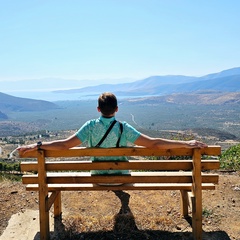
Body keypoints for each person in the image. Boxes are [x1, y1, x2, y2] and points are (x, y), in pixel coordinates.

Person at [17, 92, 207, 175]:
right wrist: (187, 143)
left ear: (98, 109)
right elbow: (153, 144)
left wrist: (36, 145)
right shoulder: (124, 128)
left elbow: (64, 145)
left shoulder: (89, 126)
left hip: (97, 176)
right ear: (116, 109)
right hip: (121, 175)